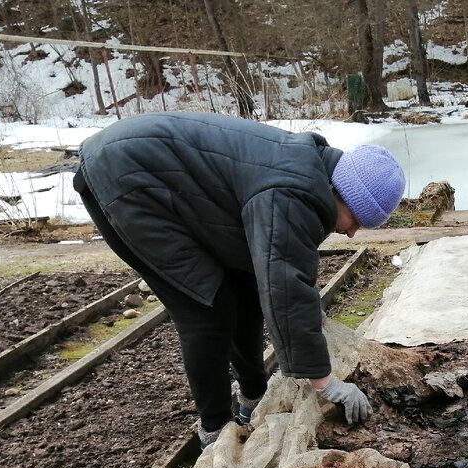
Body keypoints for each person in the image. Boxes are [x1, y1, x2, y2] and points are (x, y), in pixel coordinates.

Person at [73, 111, 406, 447]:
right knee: (207, 308)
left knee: (245, 289)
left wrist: (309, 320)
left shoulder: (310, 173)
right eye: (356, 219)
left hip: (150, 168)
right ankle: (216, 433)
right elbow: (286, 289)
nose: (351, 233)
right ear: (340, 191)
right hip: (125, 179)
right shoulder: (294, 194)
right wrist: (325, 383)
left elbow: (276, 274)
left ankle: (252, 397)